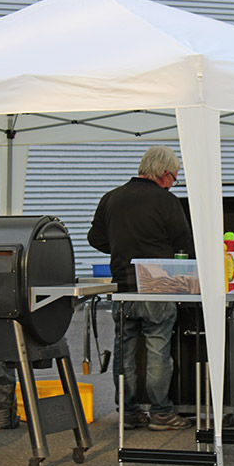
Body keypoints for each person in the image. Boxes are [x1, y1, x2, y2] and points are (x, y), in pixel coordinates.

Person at [87, 146, 193, 431]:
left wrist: (122, 249)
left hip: (123, 285)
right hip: (158, 285)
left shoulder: (112, 198)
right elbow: (184, 243)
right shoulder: (166, 201)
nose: (174, 184)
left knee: (125, 349)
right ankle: (161, 413)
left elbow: (94, 238)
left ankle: (129, 412)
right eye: (175, 178)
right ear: (166, 175)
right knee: (158, 348)